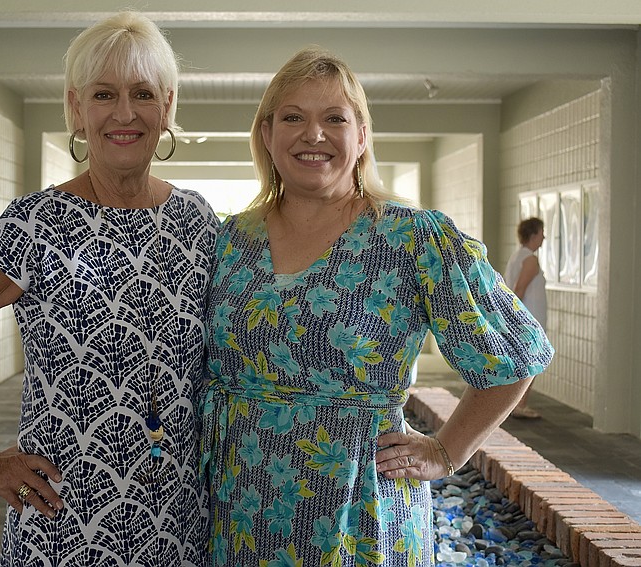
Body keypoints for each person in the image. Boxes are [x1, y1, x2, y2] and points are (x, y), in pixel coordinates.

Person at [200, 46, 554, 567]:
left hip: (356, 512)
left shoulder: (412, 239)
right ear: (267, 135)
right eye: (292, 117)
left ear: (362, 136)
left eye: (334, 118)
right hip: (236, 510)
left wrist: (447, 450)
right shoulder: (229, 240)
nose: (312, 134)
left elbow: (516, 354)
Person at [0, 11, 217, 566]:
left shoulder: (196, 220)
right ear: (76, 109)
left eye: (143, 94)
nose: (125, 114)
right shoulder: (35, 224)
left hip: (177, 519)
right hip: (64, 520)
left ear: (166, 107)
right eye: (104, 94)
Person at [503, 217, 547, 419]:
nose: (543, 237)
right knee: (530, 362)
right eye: (541, 233)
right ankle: (520, 404)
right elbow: (519, 289)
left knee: (525, 363)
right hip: (528, 320)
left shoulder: (516, 256)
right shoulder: (530, 259)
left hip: (523, 319)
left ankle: (517, 404)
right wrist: (514, 318)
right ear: (533, 235)